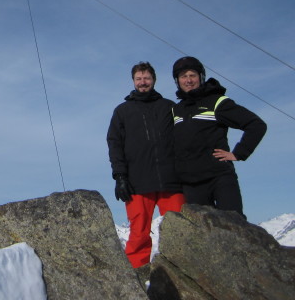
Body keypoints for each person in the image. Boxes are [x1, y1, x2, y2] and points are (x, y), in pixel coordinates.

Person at [107, 62, 185, 269]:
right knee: (139, 233)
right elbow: (115, 145)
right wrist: (120, 177)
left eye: (147, 78)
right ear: (133, 81)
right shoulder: (122, 111)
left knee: (179, 231)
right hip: (137, 181)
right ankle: (138, 278)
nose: (143, 82)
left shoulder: (169, 107)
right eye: (139, 79)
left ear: (154, 80)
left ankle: (182, 277)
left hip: (171, 180)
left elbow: (184, 139)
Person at [171, 56, 267, 218]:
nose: (188, 80)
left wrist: (239, 153)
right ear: (177, 80)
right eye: (183, 76)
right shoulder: (177, 110)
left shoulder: (217, 102)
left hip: (219, 178)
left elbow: (256, 125)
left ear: (201, 77)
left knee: (235, 228)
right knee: (203, 236)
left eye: (192, 75)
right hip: (191, 184)